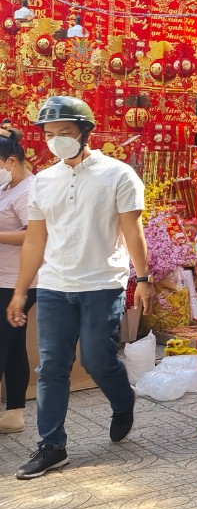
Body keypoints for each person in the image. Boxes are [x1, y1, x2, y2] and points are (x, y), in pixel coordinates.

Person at [6, 97, 154, 480]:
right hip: (55, 285)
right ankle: (51, 446)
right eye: (50, 135)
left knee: (96, 359)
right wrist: (22, 290)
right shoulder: (44, 182)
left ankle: (123, 401)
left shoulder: (117, 174)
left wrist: (144, 278)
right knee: (52, 365)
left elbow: (131, 230)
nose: (56, 141)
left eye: (65, 133)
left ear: (84, 132)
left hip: (101, 284)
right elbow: (35, 240)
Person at [0, 126, 34, 434]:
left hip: (17, 280)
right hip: (4, 277)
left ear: (10, 161)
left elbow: (33, 236)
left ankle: (14, 412)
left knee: (4, 342)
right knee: (12, 345)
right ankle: (14, 413)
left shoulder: (29, 190)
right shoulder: (7, 187)